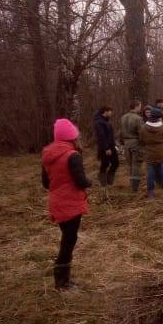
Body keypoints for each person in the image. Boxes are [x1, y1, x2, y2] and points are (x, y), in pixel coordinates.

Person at [41, 119, 92, 290]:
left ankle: (62, 280)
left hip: (56, 201)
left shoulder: (48, 154)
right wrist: (89, 182)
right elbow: (81, 181)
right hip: (71, 203)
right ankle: (62, 283)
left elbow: (45, 183)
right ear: (72, 137)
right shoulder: (73, 155)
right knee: (69, 240)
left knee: (67, 238)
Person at [139, 107, 163, 198]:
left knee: (150, 175)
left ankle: (151, 195)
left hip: (149, 153)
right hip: (162, 153)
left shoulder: (144, 127)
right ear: (159, 117)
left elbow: (141, 140)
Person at [120, 100, 144, 192]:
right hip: (136, 143)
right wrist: (143, 143)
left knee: (130, 165)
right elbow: (141, 133)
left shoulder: (123, 117)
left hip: (126, 144)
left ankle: (131, 185)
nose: (140, 108)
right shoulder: (138, 118)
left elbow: (121, 132)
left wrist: (122, 143)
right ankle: (135, 188)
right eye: (140, 106)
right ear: (136, 106)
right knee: (136, 165)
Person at [93, 106, 119, 187]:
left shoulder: (107, 122)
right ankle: (104, 183)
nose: (111, 113)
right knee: (105, 164)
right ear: (105, 112)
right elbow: (101, 136)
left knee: (115, 163)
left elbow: (110, 136)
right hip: (105, 148)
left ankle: (109, 180)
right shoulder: (99, 122)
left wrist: (115, 146)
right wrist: (106, 148)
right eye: (110, 111)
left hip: (111, 146)